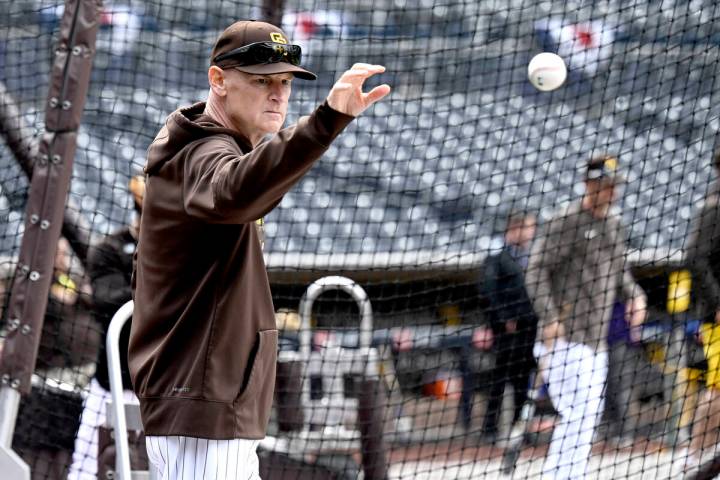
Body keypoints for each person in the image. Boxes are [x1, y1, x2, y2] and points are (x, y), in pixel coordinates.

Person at [128, 19, 390, 480]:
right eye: (262, 80)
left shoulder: (206, 145)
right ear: (218, 80)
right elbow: (235, 190)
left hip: (205, 400)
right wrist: (326, 120)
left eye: (285, 81)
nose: (278, 93)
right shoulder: (201, 151)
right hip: (200, 404)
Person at [525, 155, 647, 479]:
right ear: (588, 185)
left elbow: (621, 274)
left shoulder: (614, 225)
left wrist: (636, 295)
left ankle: (569, 474)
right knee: (579, 412)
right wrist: (549, 317)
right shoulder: (566, 221)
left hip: (597, 340)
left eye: (614, 186)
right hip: (564, 336)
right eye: (606, 186)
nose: (612, 192)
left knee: (587, 415)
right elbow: (536, 271)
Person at [68, 175, 145, 480]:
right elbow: (107, 300)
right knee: (88, 468)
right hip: (113, 383)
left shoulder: (178, 252)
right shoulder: (109, 249)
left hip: (165, 384)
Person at [476, 209, 538, 442]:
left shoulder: (532, 256)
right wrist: (504, 319)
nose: (530, 232)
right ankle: (490, 429)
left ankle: (520, 428)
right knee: (499, 380)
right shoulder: (498, 257)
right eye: (526, 227)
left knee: (523, 380)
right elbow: (488, 291)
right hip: (506, 331)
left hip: (529, 328)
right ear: (514, 229)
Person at [685, 148, 720, 468]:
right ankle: (694, 455)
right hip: (717, 316)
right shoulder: (713, 208)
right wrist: (717, 302)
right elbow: (694, 258)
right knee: (718, 389)